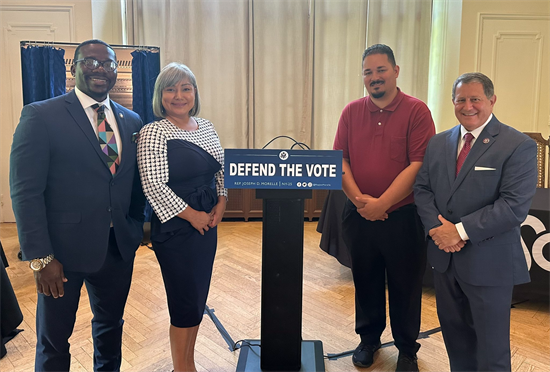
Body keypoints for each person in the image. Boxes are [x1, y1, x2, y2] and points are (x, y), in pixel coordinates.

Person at [10, 39, 145, 372]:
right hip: (62, 256)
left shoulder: (131, 121)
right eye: (91, 62)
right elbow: (25, 192)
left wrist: (136, 228)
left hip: (116, 250)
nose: (101, 69)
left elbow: (132, 182)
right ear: (74, 68)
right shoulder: (41, 115)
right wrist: (41, 257)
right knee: (54, 341)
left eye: (109, 64)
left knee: (111, 330)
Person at [414, 72, 537, 372]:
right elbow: (422, 189)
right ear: (453, 103)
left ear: (492, 101)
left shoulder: (517, 145)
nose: (468, 106)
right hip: (445, 261)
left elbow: (512, 206)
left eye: (475, 99)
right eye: (461, 100)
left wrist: (457, 231)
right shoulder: (439, 142)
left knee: (492, 351)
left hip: (489, 264)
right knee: (456, 342)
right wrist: (437, 230)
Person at [333, 44, 435, 372]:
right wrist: (361, 202)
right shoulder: (351, 112)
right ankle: (369, 340)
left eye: (380, 70)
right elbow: (340, 160)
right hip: (359, 214)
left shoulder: (417, 111)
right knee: (365, 279)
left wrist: (382, 204)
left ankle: (407, 350)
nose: (374, 77)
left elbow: (419, 164)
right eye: (368, 72)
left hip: (403, 216)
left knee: (405, 284)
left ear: (395, 71)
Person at [137, 62, 227, 372]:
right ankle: (182, 367)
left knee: (196, 299)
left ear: (194, 93)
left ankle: (187, 362)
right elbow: (153, 185)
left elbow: (220, 171)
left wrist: (222, 202)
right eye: (170, 89)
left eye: (185, 88)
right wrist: (193, 217)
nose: (179, 95)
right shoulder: (153, 131)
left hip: (207, 224)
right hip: (177, 227)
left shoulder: (207, 126)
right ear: (160, 95)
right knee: (183, 301)